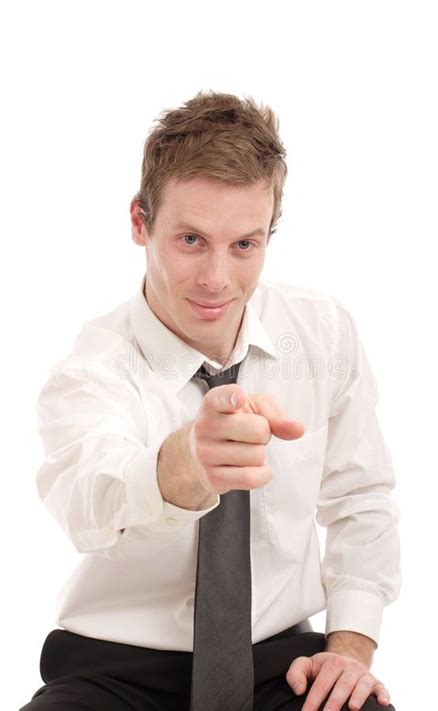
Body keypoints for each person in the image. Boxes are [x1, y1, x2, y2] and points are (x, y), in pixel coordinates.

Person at [21, 91, 400, 711]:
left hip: (284, 663)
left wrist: (350, 649)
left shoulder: (322, 332)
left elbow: (361, 497)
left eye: (244, 245)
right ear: (140, 221)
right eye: (191, 239)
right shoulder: (90, 370)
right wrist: (186, 465)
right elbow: (92, 504)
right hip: (114, 673)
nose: (217, 279)